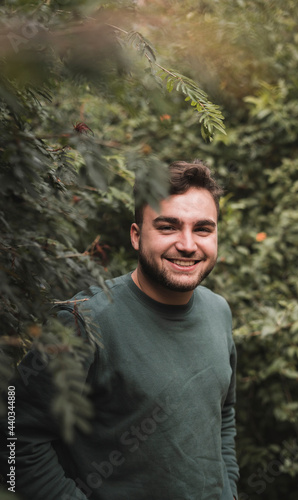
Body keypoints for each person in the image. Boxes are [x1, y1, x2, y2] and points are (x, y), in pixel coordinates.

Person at [0, 160, 239, 499]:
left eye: (202, 229)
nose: (188, 244)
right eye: (168, 227)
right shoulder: (84, 320)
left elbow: (224, 413)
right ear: (136, 236)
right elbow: (13, 437)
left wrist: (229, 489)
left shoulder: (219, 311)